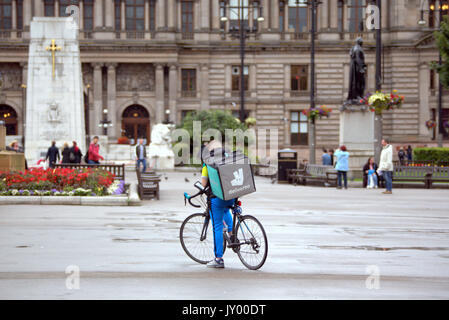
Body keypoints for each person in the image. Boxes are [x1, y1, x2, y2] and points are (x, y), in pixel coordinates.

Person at [201, 140, 235, 269]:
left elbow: (203, 184)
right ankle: (232, 236)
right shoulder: (230, 159)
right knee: (226, 210)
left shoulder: (208, 163)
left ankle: (219, 259)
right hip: (232, 195)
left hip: (217, 198)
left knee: (217, 226)